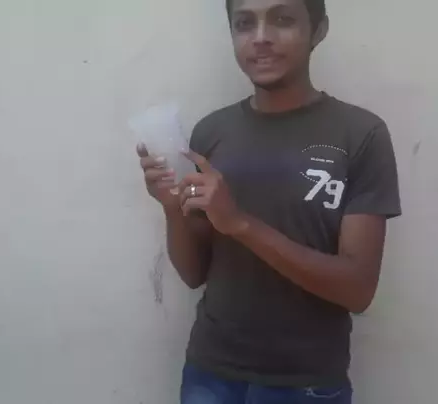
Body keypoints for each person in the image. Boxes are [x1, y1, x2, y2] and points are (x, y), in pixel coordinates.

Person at [137, 0, 401, 402]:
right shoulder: (212, 131)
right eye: (245, 23)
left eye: (282, 19)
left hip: (306, 382)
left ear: (319, 30)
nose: (261, 38)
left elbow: (357, 290)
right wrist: (172, 208)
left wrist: (240, 224)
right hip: (210, 373)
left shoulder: (360, 133)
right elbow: (194, 274)